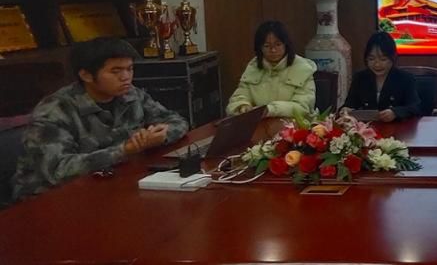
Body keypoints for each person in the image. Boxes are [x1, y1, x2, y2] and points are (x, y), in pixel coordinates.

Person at [10, 37, 189, 202]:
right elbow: (59, 170)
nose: (126, 77)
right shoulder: (54, 111)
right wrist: (124, 150)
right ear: (86, 75)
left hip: (109, 183)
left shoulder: (131, 94)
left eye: (129, 69)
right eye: (115, 71)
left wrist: (161, 135)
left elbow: (177, 121)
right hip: (49, 199)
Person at [227, 20, 317, 119]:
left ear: (286, 45)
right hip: (260, 124)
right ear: (260, 48)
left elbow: (303, 107)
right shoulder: (254, 67)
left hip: (295, 125)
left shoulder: (302, 68)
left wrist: (270, 110)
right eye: (267, 46)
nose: (273, 50)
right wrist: (242, 106)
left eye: (278, 45)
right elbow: (238, 97)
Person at [343, 31, 422, 122]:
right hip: (366, 127)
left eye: (383, 59)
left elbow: (415, 108)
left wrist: (395, 113)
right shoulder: (360, 78)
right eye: (371, 59)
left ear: (393, 58)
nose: (377, 64)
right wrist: (345, 110)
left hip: (396, 128)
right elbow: (349, 104)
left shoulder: (406, 79)